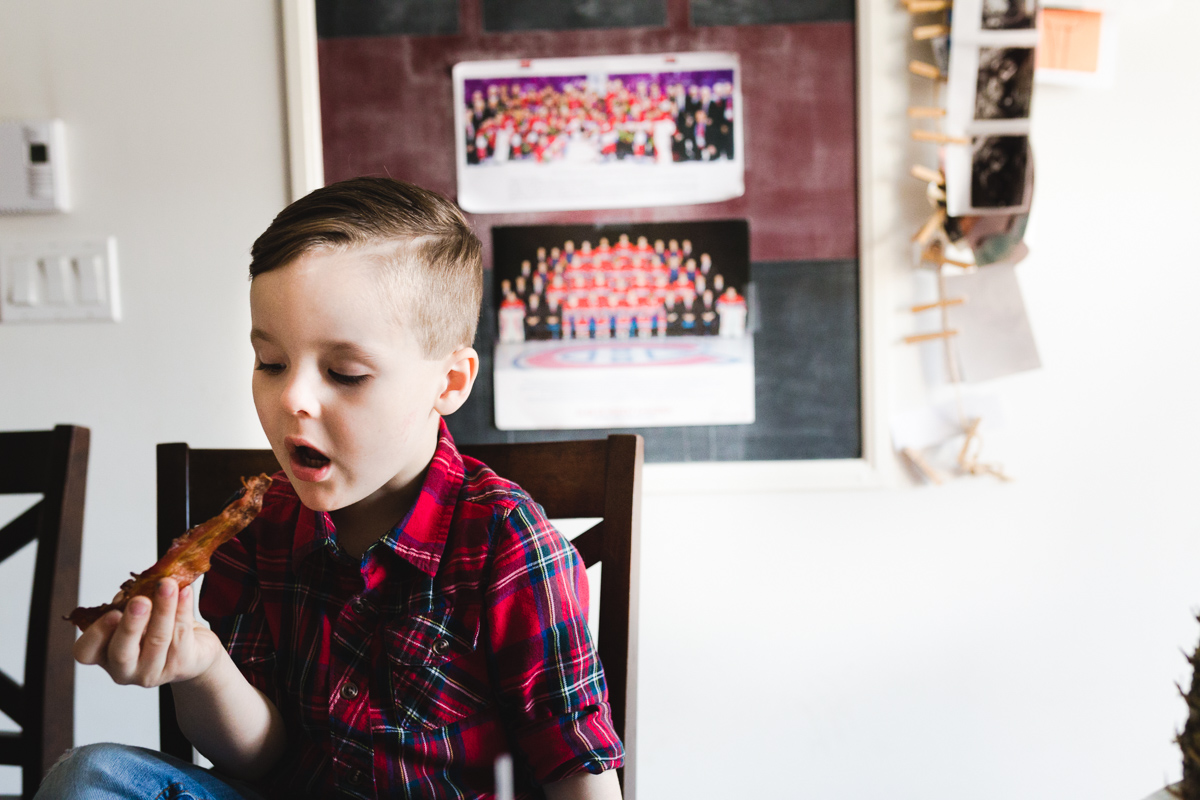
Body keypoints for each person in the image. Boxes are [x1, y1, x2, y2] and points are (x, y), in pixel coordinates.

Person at [45, 178, 624, 800]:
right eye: (271, 363)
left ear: (449, 381)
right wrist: (204, 666)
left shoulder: (507, 542)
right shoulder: (261, 527)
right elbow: (259, 759)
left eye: (345, 373)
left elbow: (575, 771)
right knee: (92, 776)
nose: (292, 397)